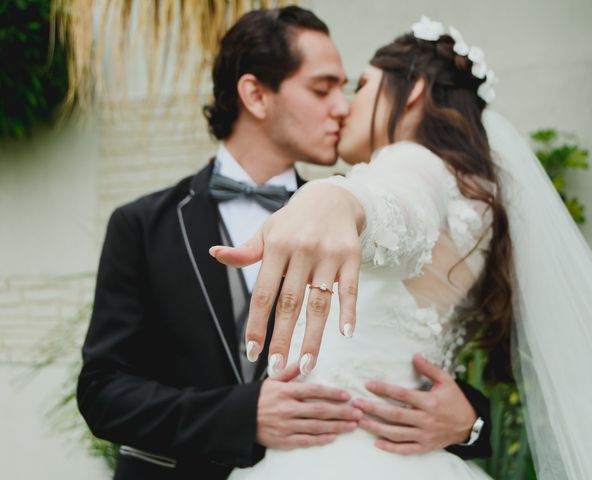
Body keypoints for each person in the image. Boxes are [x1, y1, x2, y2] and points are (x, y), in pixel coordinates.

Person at [212, 15, 592, 480]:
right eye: (325, 91)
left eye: (360, 86)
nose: (344, 107)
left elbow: (401, 208)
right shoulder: (477, 193)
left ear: (413, 89)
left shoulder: (412, 163)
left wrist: (335, 198)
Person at [77, 9, 491, 480]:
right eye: (322, 89)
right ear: (255, 95)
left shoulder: (352, 208)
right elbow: (102, 393)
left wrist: (471, 422)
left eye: (347, 88)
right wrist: (241, 414)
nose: (342, 106)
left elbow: (391, 358)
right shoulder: (143, 224)